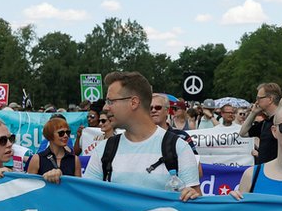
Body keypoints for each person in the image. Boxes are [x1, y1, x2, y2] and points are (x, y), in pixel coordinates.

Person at [84, 72, 200, 201]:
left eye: (111, 101)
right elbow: (86, 200)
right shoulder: (103, 150)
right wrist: (59, 182)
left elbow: (196, 208)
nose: (105, 108)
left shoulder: (179, 148)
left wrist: (192, 195)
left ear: (134, 102)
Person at [27, 116, 81, 183]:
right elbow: (30, 186)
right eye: (61, 133)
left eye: (68, 132)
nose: (66, 135)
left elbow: (78, 187)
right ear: (50, 135)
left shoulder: (74, 159)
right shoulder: (37, 159)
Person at [240, 82, 282, 164]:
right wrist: (253, 113)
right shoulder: (265, 123)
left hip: (280, 171)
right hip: (264, 170)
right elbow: (242, 133)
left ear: (270, 99)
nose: (256, 102)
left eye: (259, 98)